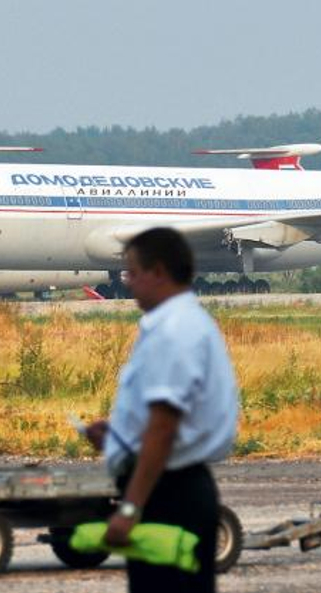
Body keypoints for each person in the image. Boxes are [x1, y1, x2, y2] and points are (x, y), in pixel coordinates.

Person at [84, 227, 239, 593]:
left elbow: (164, 429)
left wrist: (129, 509)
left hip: (169, 494)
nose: (128, 281)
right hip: (171, 485)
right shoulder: (182, 323)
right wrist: (119, 437)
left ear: (158, 272)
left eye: (133, 272)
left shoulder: (174, 330)